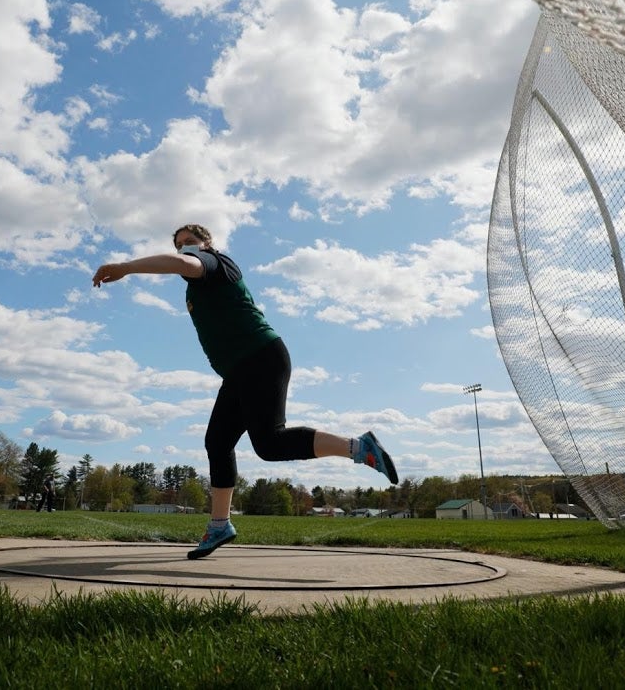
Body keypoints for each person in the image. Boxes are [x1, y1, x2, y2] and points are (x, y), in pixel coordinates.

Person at [92, 224, 398, 560]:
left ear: (207, 244)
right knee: (218, 442)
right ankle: (220, 524)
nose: (184, 249)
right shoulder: (196, 287)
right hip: (240, 371)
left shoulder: (213, 263)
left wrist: (125, 268)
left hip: (260, 359)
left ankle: (359, 448)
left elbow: (182, 265)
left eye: (190, 243)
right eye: (179, 245)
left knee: (270, 442)